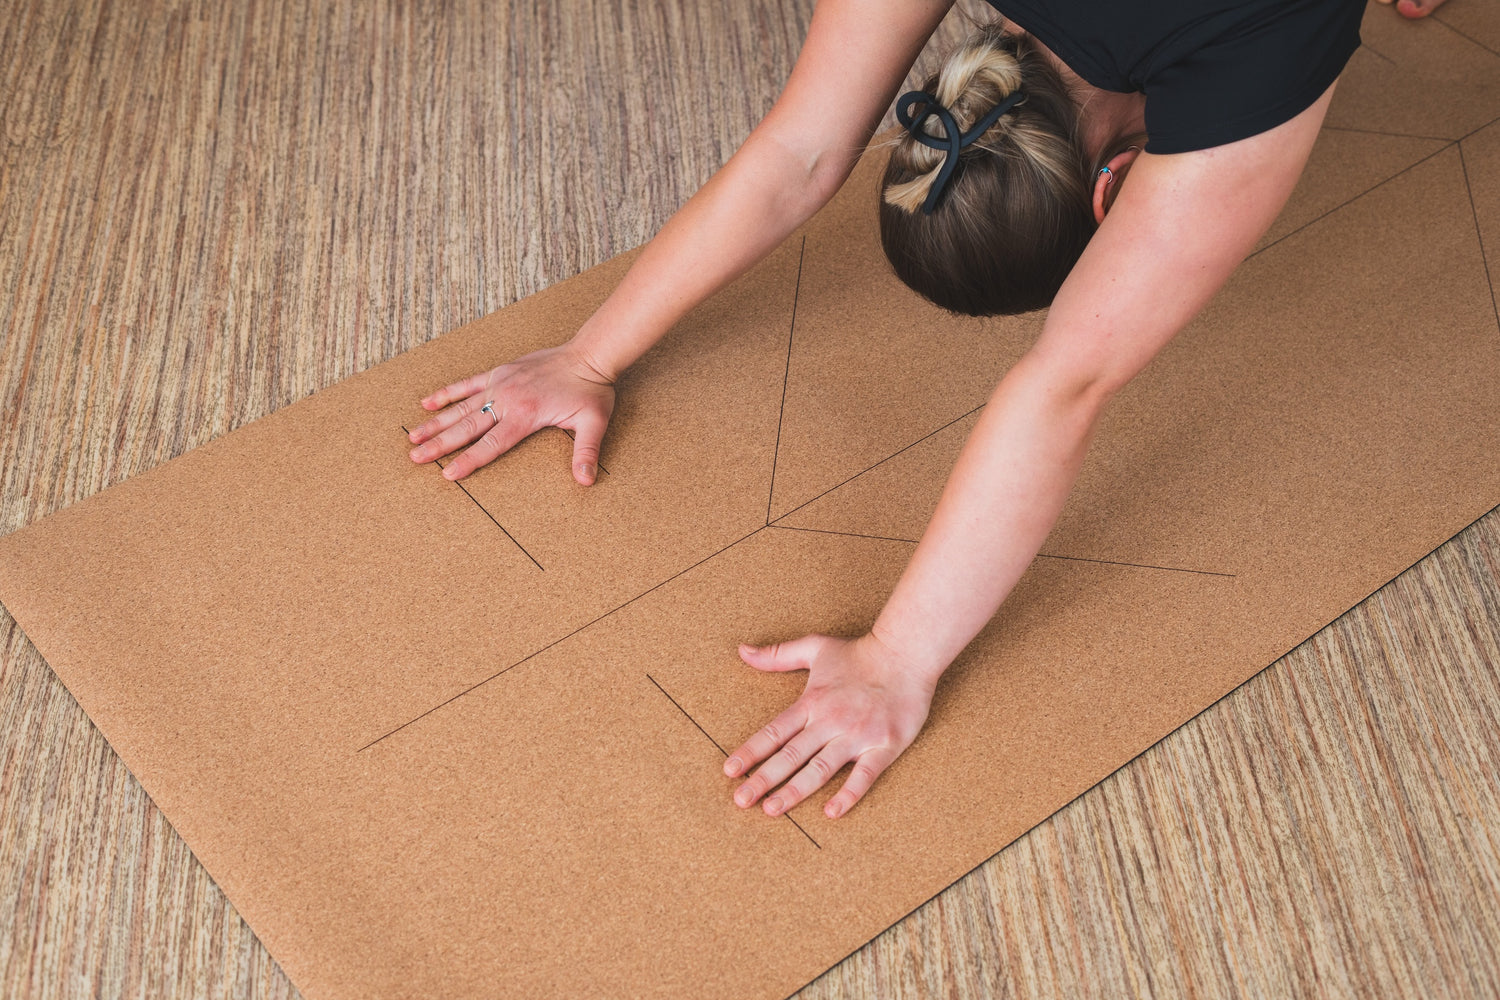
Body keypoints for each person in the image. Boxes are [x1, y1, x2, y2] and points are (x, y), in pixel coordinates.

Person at [405, 0, 1433, 820]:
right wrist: (588, 355)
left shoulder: (1256, 60)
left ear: (1115, 190)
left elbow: (1064, 383)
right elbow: (800, 153)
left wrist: (900, 662)